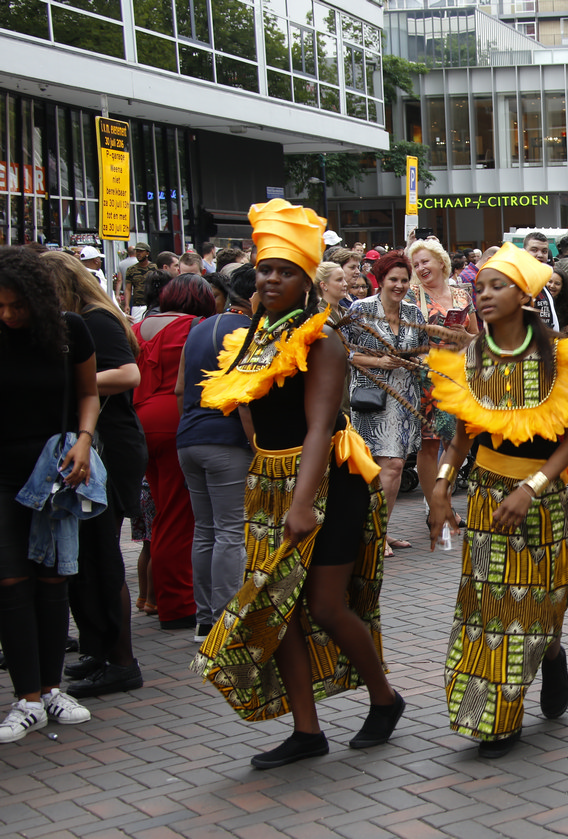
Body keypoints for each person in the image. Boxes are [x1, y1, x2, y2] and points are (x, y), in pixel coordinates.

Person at [194, 198, 402, 769]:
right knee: (276, 610)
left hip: (328, 480)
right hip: (270, 480)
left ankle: (385, 699)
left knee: (326, 606)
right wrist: (263, 470)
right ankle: (307, 731)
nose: (271, 279)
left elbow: (318, 426)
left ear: (306, 281)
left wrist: (302, 502)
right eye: (264, 269)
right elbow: (246, 408)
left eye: (285, 271)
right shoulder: (253, 338)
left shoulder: (322, 339)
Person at [427, 243, 568, 758]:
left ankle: (552, 653)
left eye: (496, 286)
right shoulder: (469, 359)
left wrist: (530, 489)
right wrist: (440, 486)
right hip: (485, 495)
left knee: (542, 599)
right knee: (490, 607)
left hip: (540, 499)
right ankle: (498, 719)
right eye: (479, 286)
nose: (483, 294)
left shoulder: (558, 356)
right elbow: (461, 439)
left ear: (524, 295)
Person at [0, 247, 99, 742]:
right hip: (2, 474)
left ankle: (51, 688)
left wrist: (84, 440)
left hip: (54, 471)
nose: (8, 314)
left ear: (37, 298)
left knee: (54, 579)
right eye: (0, 305)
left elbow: (88, 393)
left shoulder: (68, 330)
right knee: (11, 582)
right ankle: (27, 699)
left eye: (17, 305)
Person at [41, 252, 146, 699]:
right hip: (99, 446)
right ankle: (100, 651)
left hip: (108, 448)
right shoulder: (81, 319)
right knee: (86, 559)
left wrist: (74, 383)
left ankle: (120, 660)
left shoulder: (95, 320)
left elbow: (129, 373)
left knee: (102, 557)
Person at [174, 268, 255, 642]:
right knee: (230, 531)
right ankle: (225, 621)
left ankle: (205, 619)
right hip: (226, 440)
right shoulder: (247, 331)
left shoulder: (198, 328)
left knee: (205, 529)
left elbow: (179, 389)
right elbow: (244, 398)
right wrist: (256, 444)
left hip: (189, 437)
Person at [133, 275, 218, 630]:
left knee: (162, 513)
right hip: (175, 422)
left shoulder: (138, 328)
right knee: (177, 517)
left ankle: (161, 598)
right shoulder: (196, 327)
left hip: (140, 422)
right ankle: (177, 604)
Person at [346, 252, 425, 556]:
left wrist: (419, 360)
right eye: (394, 279)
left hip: (405, 396)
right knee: (387, 466)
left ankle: (381, 530)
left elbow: (423, 349)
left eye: (404, 280)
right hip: (373, 397)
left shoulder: (413, 312)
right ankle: (373, 533)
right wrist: (379, 362)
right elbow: (345, 352)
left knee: (395, 465)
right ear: (380, 279)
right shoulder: (361, 309)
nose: (400, 285)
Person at [405, 238, 478, 520]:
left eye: (425, 261)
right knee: (430, 444)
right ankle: (437, 509)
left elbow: (476, 337)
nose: (421, 268)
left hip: (459, 377)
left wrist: (464, 336)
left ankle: (442, 499)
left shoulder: (462, 295)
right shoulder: (411, 295)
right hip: (427, 379)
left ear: (441, 262)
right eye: (416, 264)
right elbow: (404, 338)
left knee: (457, 444)